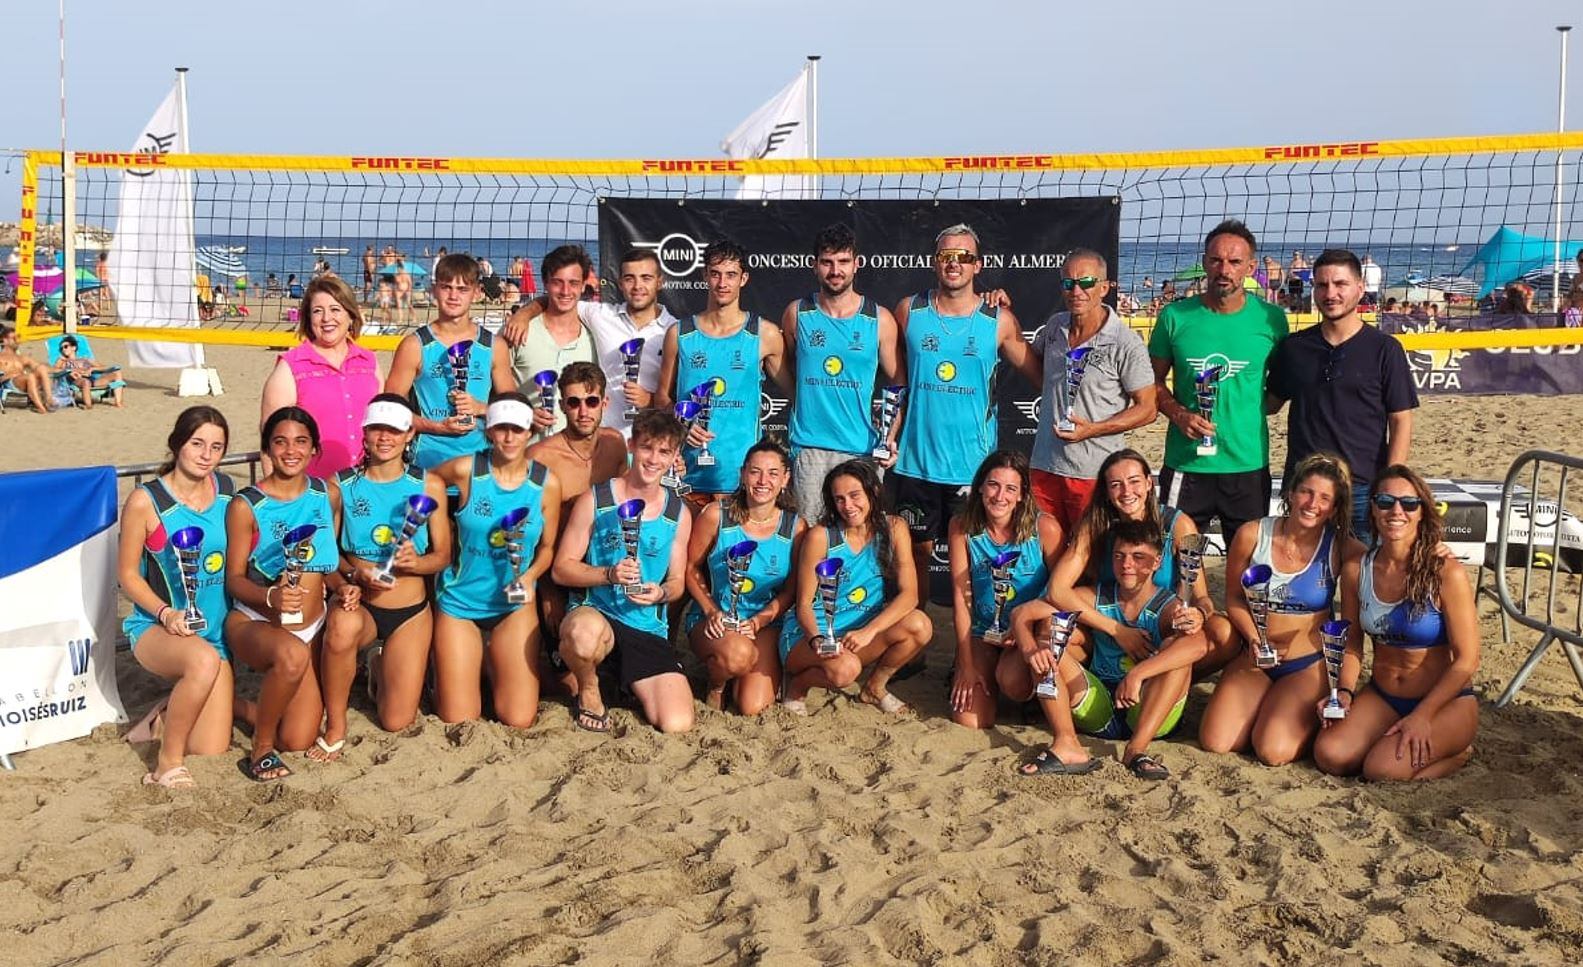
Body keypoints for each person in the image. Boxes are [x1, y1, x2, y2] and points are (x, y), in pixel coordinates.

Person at [885, 224, 1038, 611]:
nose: (954, 264)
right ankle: (914, 637)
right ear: (935, 262)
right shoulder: (909, 310)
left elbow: (1040, 375)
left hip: (971, 466)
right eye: (946, 256)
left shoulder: (998, 320)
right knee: (914, 555)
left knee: (975, 561)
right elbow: (897, 377)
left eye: (964, 257)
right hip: (915, 462)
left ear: (978, 265)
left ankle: (977, 642)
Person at [1313, 465, 1480, 780]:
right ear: (1373, 509)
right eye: (1386, 501)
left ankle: (1459, 753)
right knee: (1330, 754)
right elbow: (1351, 644)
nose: (1397, 511)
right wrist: (1345, 691)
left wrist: (1423, 716)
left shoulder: (1445, 572)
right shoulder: (1356, 570)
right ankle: (1393, 741)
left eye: (1409, 503)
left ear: (1421, 512)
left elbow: (1468, 660)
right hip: (1384, 695)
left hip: (1444, 703)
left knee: (1381, 770)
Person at [1010, 521, 1209, 780]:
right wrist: (1029, 649)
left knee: (1179, 652)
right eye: (1119, 556)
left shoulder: (1167, 605)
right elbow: (1023, 611)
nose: (1127, 564)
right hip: (1100, 703)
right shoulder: (1097, 596)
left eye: (1138, 557)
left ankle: (1137, 750)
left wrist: (1137, 675)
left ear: (1157, 562)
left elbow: (1199, 645)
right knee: (1051, 634)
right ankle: (1066, 743)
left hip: (1147, 711)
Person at [1199, 453, 1362, 765]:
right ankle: (1269, 710)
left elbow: (1389, 565)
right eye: (1306, 492)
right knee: (1216, 742)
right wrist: (1254, 638)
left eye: (1325, 498)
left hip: (1307, 664)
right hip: (1256, 657)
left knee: (1273, 752)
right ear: (1290, 493)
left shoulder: (1342, 547)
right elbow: (1234, 598)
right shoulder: (1252, 534)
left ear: (1335, 508)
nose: (1312, 504)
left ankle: (1287, 716)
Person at [1149, 219, 1290, 551]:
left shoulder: (1271, 320)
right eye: (1215, 260)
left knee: (1250, 565)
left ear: (1250, 267)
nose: (1224, 269)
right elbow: (1150, 382)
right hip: (1187, 464)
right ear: (1205, 262)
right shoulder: (1175, 316)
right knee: (1175, 560)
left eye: (1234, 261)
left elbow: (1281, 387)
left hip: (1247, 464)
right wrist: (1178, 413)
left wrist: (1255, 407)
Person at [552, 410, 696, 733]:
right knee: (581, 636)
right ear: (631, 445)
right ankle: (589, 689)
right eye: (646, 447)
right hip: (596, 614)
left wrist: (660, 593)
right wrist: (608, 575)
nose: (653, 459)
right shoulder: (597, 498)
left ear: (674, 456)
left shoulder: (678, 513)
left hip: (645, 628)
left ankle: (621, 683)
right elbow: (562, 569)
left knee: (677, 723)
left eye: (663, 451)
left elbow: (676, 583)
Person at [224, 407, 347, 781]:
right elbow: (234, 579)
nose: (290, 450)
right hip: (257, 619)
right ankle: (260, 748)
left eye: (300, 441)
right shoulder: (246, 505)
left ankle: (240, 708)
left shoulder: (327, 494)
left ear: (314, 450)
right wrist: (269, 598)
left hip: (309, 624)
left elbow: (329, 562)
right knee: (291, 657)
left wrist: (344, 586)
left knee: (297, 738)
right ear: (267, 449)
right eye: (280, 441)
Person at [118, 407, 236, 787]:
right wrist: (165, 612)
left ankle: (162, 716)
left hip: (214, 632)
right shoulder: (145, 501)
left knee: (213, 746)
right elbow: (127, 576)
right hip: (159, 628)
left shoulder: (229, 491)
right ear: (177, 444)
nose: (206, 454)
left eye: (216, 447)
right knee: (200, 662)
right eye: (197, 443)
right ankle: (166, 765)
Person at [322, 396, 452, 743]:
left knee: (395, 721)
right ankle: (336, 724)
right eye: (377, 428)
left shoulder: (429, 484)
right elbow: (327, 554)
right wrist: (351, 577)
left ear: (409, 433)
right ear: (363, 433)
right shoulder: (340, 485)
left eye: (394, 430)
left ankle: (377, 665)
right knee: (342, 626)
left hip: (408, 611)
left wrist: (418, 563)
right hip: (361, 603)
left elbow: (443, 555)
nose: (384, 437)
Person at [430, 393, 562, 728]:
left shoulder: (546, 484)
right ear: (488, 430)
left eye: (517, 429)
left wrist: (529, 576)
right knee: (459, 718)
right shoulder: (466, 470)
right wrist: (438, 531)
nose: (509, 437)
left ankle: (491, 663)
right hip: (461, 601)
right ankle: (455, 665)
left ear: (530, 431)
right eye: (501, 428)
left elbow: (547, 548)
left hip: (512, 604)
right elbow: (424, 484)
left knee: (518, 718)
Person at [1268, 249, 1417, 535]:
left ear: (1360, 289)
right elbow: (1270, 404)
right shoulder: (1294, 347)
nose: (1330, 293)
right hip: (1305, 485)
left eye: (1340, 284)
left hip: (1361, 487)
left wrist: (1390, 481)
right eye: (1322, 285)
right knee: (1304, 574)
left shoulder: (1385, 349)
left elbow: (1401, 420)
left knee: (1358, 574)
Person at [1045, 447, 1233, 672]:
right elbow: (1057, 590)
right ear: (1106, 491)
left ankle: (1163, 680)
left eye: (1134, 481)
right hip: (1107, 627)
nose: (1126, 491)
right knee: (1051, 627)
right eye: (1116, 484)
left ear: (1148, 483)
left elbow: (1201, 597)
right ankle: (1099, 681)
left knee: (1224, 633)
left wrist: (1199, 614)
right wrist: (1117, 630)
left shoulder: (1178, 524)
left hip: (1161, 623)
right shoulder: (1095, 525)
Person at [780, 460, 933, 716]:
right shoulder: (821, 536)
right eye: (839, 499)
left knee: (920, 625)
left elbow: (910, 595)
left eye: (854, 495)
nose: (848, 506)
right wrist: (818, 640)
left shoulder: (894, 528)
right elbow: (804, 604)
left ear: (873, 491)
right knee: (845, 670)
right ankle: (798, 685)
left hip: (858, 633)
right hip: (810, 635)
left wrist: (868, 631)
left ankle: (874, 688)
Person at [1028, 248, 1156, 535]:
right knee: (1045, 561)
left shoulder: (1125, 342)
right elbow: (1035, 369)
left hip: (1093, 472)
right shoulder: (1054, 327)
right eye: (1068, 283)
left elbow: (1148, 409)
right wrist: (1000, 313)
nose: (1077, 291)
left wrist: (1093, 429)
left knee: (1091, 560)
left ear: (1104, 287)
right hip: (1045, 467)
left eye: (1086, 282)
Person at [780, 224, 903, 516]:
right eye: (827, 262)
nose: (836, 270)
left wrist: (890, 435)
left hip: (861, 449)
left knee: (859, 540)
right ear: (815, 266)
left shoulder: (879, 319)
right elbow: (784, 371)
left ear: (856, 264)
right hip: (809, 449)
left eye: (843, 262)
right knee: (811, 539)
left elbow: (899, 382)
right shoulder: (797, 313)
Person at [657, 238, 788, 505]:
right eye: (715, 274)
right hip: (686, 473)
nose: (722, 283)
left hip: (743, 480)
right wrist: (683, 422)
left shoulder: (764, 334)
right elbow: (661, 398)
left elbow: (797, 392)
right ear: (705, 275)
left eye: (731, 275)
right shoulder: (679, 334)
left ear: (744, 278)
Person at [502, 247, 677, 438]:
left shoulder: (675, 331)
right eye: (629, 278)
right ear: (619, 283)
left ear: (660, 282)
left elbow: (679, 397)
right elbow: (560, 298)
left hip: (651, 442)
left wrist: (650, 400)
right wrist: (523, 314)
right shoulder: (601, 315)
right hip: (602, 442)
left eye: (646, 278)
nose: (637, 286)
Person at [684, 441, 806, 714]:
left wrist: (761, 620)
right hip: (715, 618)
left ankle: (742, 673)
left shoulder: (796, 527)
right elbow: (690, 568)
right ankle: (716, 685)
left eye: (773, 473)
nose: (763, 481)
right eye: (755, 472)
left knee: (752, 706)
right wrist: (711, 610)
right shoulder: (717, 515)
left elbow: (791, 590)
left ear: (785, 478)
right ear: (742, 474)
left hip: (763, 623)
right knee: (736, 656)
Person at [947, 450, 1064, 729]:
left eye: (1011, 488)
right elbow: (960, 598)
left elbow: (1062, 594)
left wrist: (1025, 629)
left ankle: (1031, 696)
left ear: (1022, 494)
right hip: (984, 631)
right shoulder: (961, 527)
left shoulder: (1044, 527)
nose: (1000, 496)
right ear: (980, 487)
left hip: (1027, 632)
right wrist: (965, 665)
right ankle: (972, 670)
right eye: (993, 485)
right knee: (969, 720)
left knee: (1013, 683)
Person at [384, 253, 516, 474]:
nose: (454, 296)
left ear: (476, 294)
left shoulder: (494, 346)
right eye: (447, 287)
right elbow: (390, 411)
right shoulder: (414, 346)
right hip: (428, 464)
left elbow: (512, 409)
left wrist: (481, 408)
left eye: (463, 289)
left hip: (481, 465)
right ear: (434, 290)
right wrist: (437, 427)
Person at [260, 276, 383, 478]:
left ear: (351, 315)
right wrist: (277, 498)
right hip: (314, 490)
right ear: (308, 319)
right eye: (318, 311)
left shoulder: (369, 361)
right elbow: (270, 440)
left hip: (366, 484)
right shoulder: (290, 366)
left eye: (335, 309)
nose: (326, 318)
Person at [504, 245, 599, 428]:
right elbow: (493, 393)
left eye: (573, 283)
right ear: (545, 283)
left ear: (584, 284)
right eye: (557, 282)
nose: (565, 291)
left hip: (577, 452)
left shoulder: (595, 333)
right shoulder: (518, 329)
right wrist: (522, 413)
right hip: (525, 450)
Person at [51, 334, 125, 408]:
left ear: (74, 347)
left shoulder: (85, 359)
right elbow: (54, 371)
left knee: (117, 373)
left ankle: (118, 403)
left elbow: (103, 367)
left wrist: (92, 369)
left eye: (66, 346)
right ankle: (88, 405)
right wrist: (69, 370)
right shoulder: (63, 361)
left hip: (92, 380)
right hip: (77, 381)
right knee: (85, 382)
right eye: (61, 348)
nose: (63, 349)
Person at [0, 324, 52, 413]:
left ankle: (49, 400)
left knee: (42, 368)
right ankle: (40, 407)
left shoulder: (22, 358)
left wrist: (63, 369)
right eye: (14, 339)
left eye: (18, 338)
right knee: (30, 376)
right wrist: (7, 376)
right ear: (4, 340)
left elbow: (43, 368)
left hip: (25, 381)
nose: (17, 341)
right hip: (9, 383)